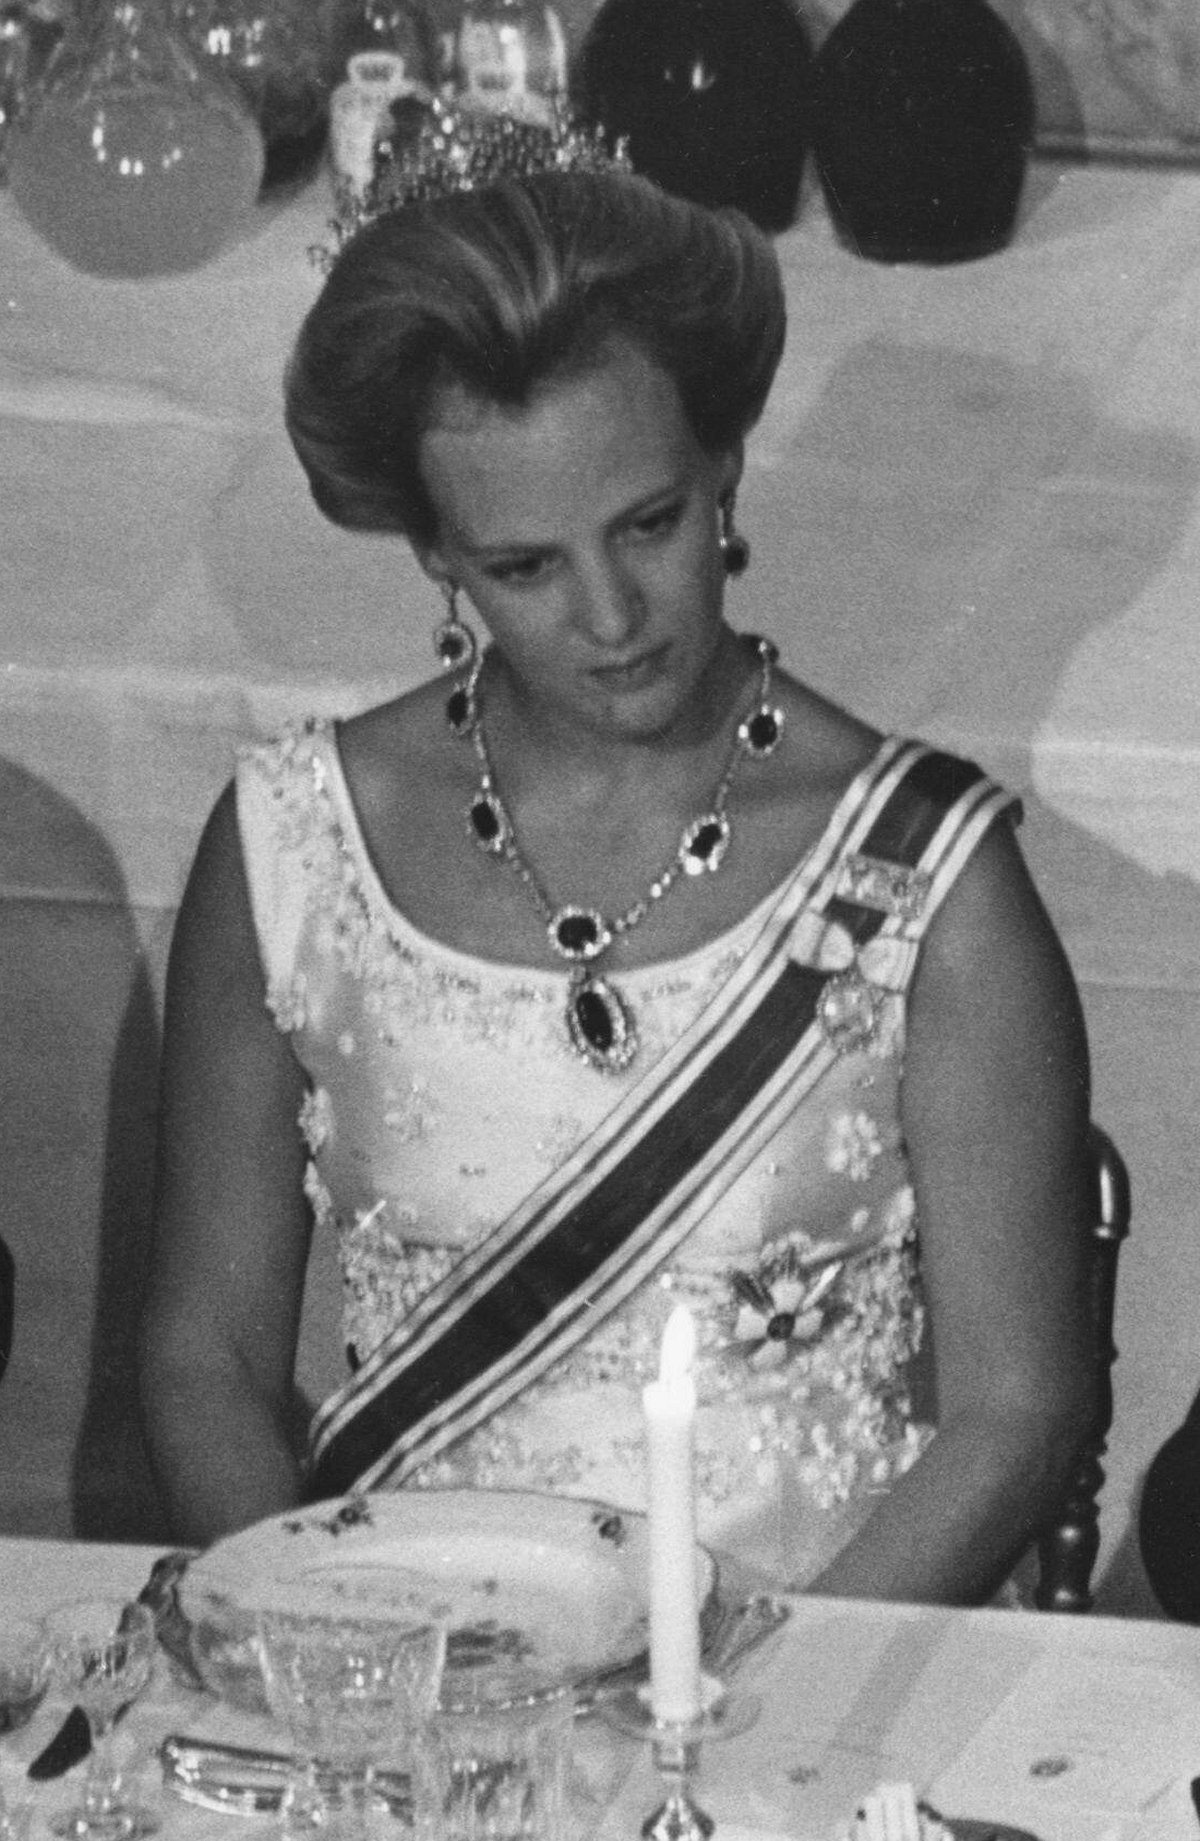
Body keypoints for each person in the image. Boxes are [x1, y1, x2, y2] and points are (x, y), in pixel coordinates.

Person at [139, 105, 1096, 1601]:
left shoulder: (929, 880)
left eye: (648, 522)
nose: (611, 614)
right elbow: (204, 1357)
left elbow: (1016, 1412)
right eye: (524, 564)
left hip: (795, 1709)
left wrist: (733, 1697)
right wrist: (323, 1634)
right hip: (411, 1696)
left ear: (723, 464)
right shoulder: (292, 847)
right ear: (434, 554)